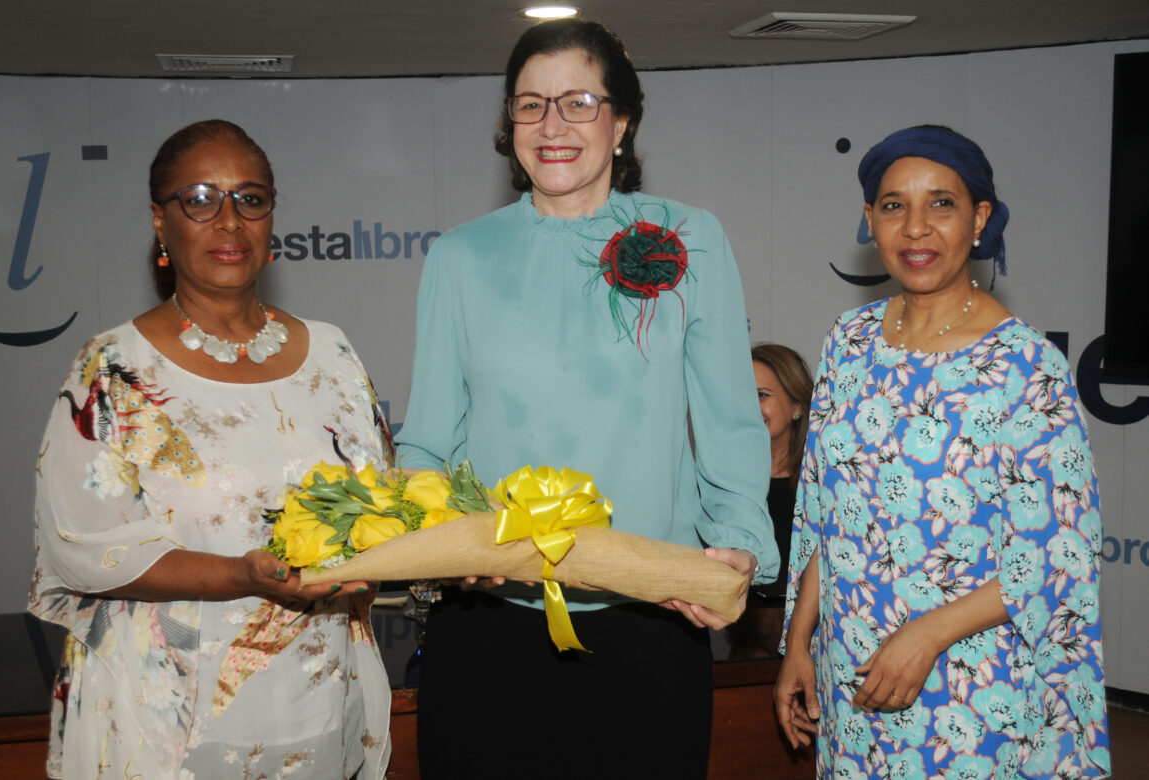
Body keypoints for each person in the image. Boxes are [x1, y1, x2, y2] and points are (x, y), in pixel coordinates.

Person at [396, 18, 776, 779]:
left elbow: (732, 421)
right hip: (489, 624)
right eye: (530, 105)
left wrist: (739, 546)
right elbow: (429, 440)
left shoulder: (691, 239)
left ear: (623, 119)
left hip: (651, 621)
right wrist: (436, 540)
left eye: (578, 101)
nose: (553, 125)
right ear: (510, 124)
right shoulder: (460, 257)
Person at [29, 119, 395, 779]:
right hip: (163, 718)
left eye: (250, 199)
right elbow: (80, 550)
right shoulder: (112, 369)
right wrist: (242, 575)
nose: (229, 220)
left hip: (321, 701)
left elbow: (379, 506)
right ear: (159, 222)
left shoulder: (334, 352)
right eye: (200, 199)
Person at [775, 125, 1110, 778]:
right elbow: (826, 514)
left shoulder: (1024, 366)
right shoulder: (848, 339)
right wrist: (799, 643)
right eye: (894, 205)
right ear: (870, 220)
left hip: (969, 683)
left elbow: (1056, 552)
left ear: (980, 218)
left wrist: (926, 635)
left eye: (942, 203)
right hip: (853, 675)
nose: (916, 227)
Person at [725, 343, 812, 658]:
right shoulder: (720, 486)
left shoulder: (822, 488)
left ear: (797, 407)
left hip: (816, 651)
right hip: (742, 659)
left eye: (761, 395)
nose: (750, 407)